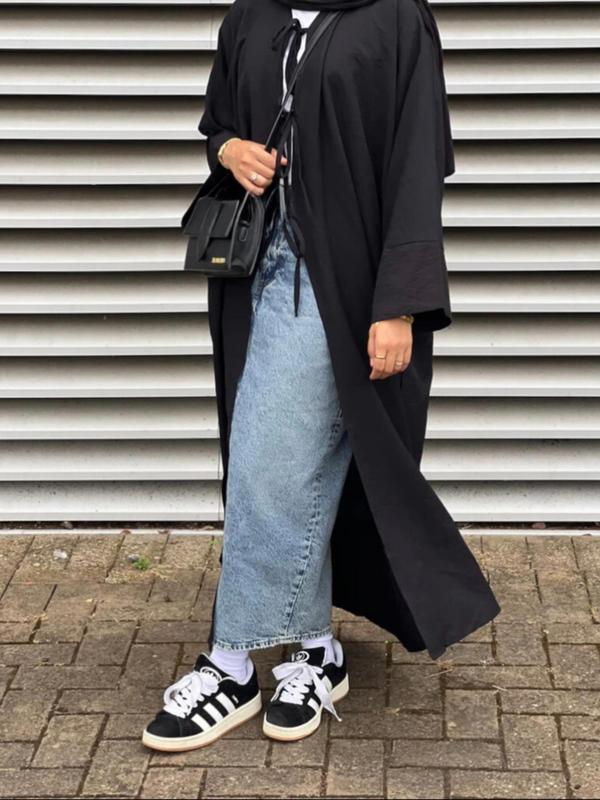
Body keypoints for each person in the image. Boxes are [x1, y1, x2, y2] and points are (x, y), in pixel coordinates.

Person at [142, 0, 500, 753]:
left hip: (339, 280)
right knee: (286, 463)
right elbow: (216, 122)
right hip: (251, 268)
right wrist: (230, 150)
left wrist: (401, 302)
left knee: (269, 459)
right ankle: (314, 652)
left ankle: (231, 664)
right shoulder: (251, 15)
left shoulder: (396, 18)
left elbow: (416, 164)